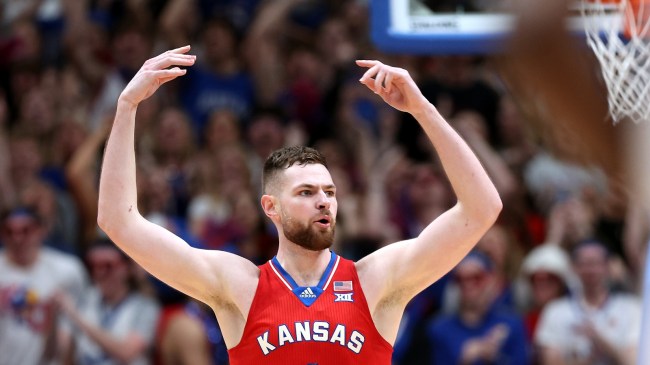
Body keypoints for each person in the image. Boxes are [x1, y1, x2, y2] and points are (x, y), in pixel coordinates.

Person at [97, 46, 502, 363]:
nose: (323, 201)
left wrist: (422, 109)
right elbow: (119, 222)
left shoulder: (376, 280)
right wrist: (126, 107)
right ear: (271, 207)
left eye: (329, 192)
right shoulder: (238, 286)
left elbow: (482, 208)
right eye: (306, 193)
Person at [0, 205, 88, 365]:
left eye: (26, 230)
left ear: (41, 230)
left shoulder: (67, 269)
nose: (17, 239)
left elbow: (72, 334)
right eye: (9, 231)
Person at [534, 240, 641, 365]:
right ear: (574, 267)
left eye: (596, 263)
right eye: (584, 263)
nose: (590, 270)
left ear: (608, 266)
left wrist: (599, 341)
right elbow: (550, 361)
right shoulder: (555, 310)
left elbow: (635, 361)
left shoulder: (631, 308)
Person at [56, 240, 161, 365]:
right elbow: (63, 350)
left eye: (108, 266)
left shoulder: (145, 306)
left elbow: (127, 352)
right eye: (93, 266)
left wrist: (76, 317)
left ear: (126, 268)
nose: (100, 273)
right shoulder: (85, 299)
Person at [426, 251, 528, 365]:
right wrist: (465, 359)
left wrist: (495, 357)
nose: (467, 284)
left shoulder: (511, 324)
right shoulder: (439, 329)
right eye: (460, 279)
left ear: (491, 280)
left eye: (476, 278)